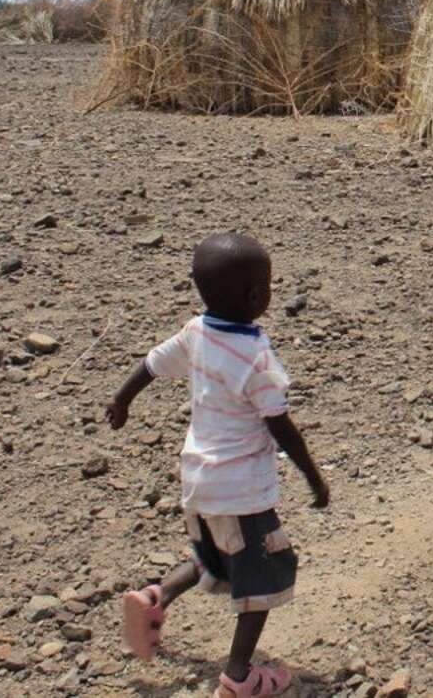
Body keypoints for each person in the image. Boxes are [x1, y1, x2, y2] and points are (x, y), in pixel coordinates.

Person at [106, 233, 329, 698]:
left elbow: (151, 364)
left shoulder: (196, 332)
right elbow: (281, 426)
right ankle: (239, 677)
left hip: (198, 482)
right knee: (262, 578)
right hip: (241, 491)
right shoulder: (257, 357)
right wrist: (313, 477)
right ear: (255, 296)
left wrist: (121, 400)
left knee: (215, 558)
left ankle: (153, 599)